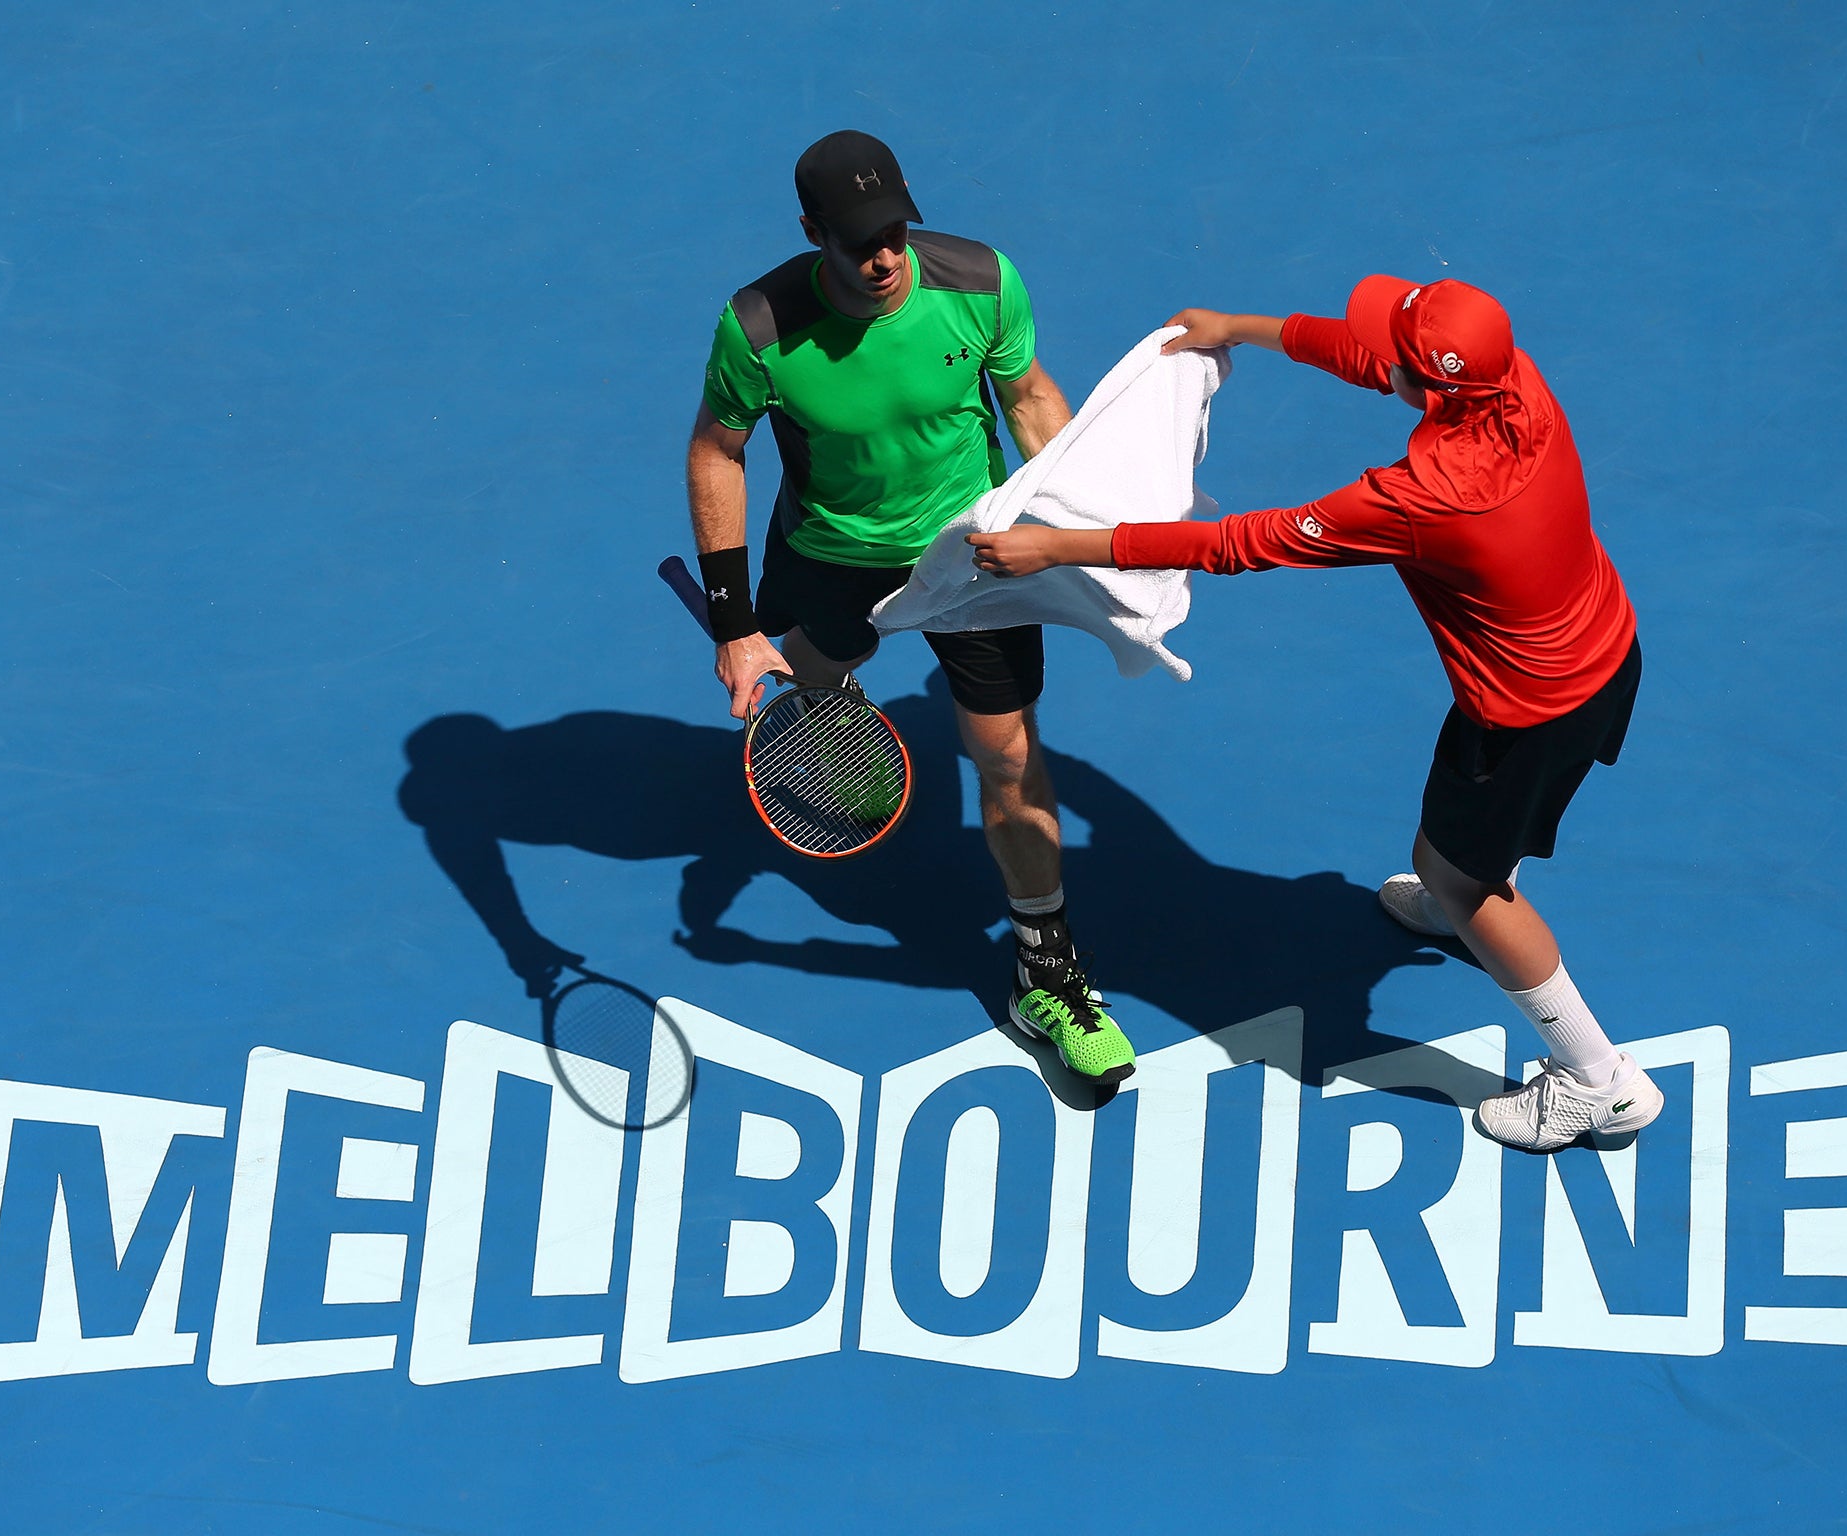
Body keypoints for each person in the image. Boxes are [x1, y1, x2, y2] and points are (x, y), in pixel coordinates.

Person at [966, 276, 1659, 1148]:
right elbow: (1379, 361)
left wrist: (1057, 547)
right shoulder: (1512, 380)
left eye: (1405, 356)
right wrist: (1241, 330)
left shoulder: (1423, 499)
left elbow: (1239, 544)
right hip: (1605, 650)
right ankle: (1455, 901)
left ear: (1439, 386)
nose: (1386, 360)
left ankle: (1599, 1080)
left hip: (1527, 715)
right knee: (1446, 855)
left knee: (1463, 876)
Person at [685, 129, 1135, 1083]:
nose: (883, 256)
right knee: (810, 673)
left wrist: (1088, 528)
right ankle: (829, 703)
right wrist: (733, 621)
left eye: (894, 230)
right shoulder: (760, 328)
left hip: (972, 555)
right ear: (814, 234)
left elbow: (1029, 399)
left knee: (1008, 752)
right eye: (857, 241)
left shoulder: (979, 283)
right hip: (830, 553)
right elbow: (716, 454)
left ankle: (1045, 970)